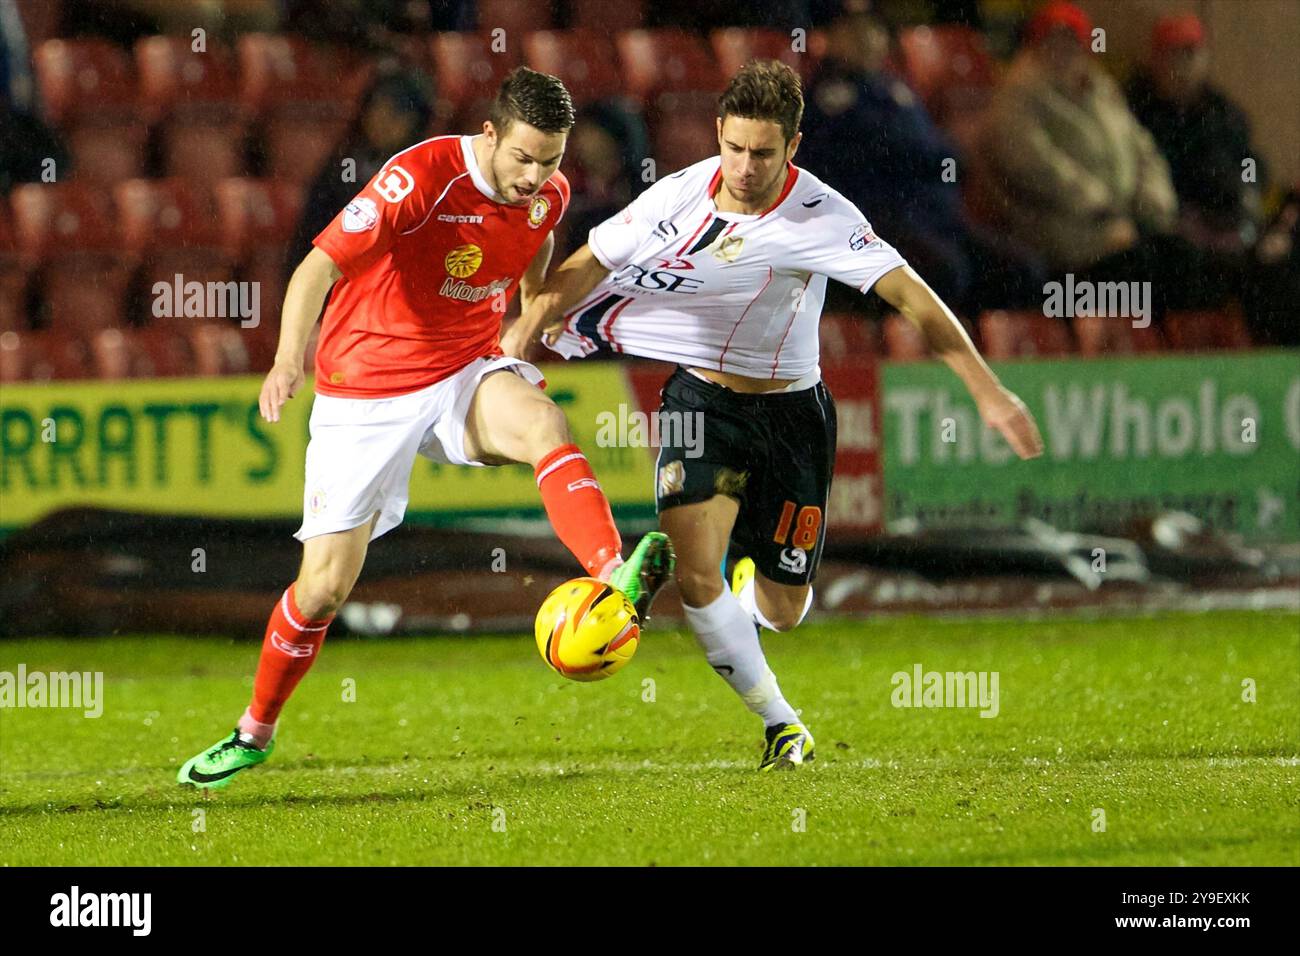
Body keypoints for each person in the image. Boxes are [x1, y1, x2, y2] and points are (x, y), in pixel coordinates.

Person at [502, 61, 1043, 772]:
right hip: (701, 404)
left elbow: (912, 299)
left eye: (763, 153)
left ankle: (734, 598)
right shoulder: (676, 195)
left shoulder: (822, 217)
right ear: (718, 133)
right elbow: (590, 264)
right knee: (698, 574)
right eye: (734, 148)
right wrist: (519, 338)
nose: (745, 167)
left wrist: (986, 390)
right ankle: (782, 725)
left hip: (793, 417)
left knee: (785, 609)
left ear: (793, 147)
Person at [178, 67, 674, 790]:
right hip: (365, 391)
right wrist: (288, 360)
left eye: (551, 161)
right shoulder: (421, 177)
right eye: (523, 158)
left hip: (462, 370)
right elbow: (317, 267)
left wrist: (533, 314)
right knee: (321, 590)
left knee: (543, 424)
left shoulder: (547, 194)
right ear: (490, 134)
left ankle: (611, 579)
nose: (535, 176)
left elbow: (532, 248)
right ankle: (254, 732)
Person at [973, 1, 1234, 322]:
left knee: (1191, 261)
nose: (1064, 48)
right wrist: (1102, 206)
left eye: (1073, 39)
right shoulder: (1018, 95)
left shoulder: (1100, 88)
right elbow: (1029, 163)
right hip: (1064, 232)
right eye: (1053, 38)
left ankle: (1193, 361)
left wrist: (1155, 201)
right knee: (1148, 270)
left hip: (1123, 226)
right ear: (1036, 43)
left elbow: (1143, 150)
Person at [800, 7, 1043, 315]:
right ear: (831, 38)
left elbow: (936, 148)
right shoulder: (828, 95)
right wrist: (933, 157)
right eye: (853, 32)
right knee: (946, 271)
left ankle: (995, 355)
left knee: (1021, 270)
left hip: (937, 219)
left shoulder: (894, 87)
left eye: (873, 31)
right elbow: (890, 152)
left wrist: (941, 158)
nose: (867, 40)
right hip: (881, 225)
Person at [1126, 12, 1264, 255]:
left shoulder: (1222, 111)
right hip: (1171, 225)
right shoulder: (1137, 108)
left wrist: (1248, 191)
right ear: (1156, 60)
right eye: (1174, 56)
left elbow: (1250, 160)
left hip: (1231, 220)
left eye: (1191, 55)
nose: (1183, 66)